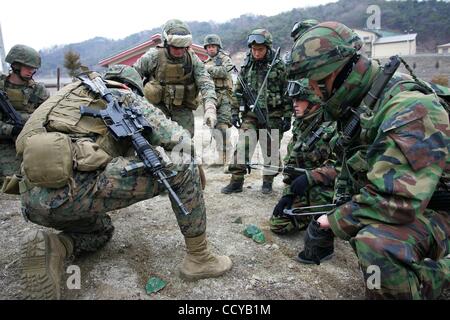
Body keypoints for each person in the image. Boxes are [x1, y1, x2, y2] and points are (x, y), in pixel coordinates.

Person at [16, 65, 232, 300]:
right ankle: (199, 258)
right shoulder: (122, 95)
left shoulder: (63, 97)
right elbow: (178, 138)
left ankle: (58, 245)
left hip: (31, 200)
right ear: (132, 86)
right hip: (76, 188)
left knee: (102, 230)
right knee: (183, 164)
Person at [287, 21, 449, 299]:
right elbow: (348, 167)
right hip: (418, 203)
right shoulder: (360, 106)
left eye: (316, 82)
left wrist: (331, 221)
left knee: (375, 243)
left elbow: (398, 200)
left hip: (434, 206)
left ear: (337, 71)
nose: (312, 90)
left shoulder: (409, 108)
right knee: (357, 225)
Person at [221, 29, 290, 195]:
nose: (256, 52)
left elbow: (287, 92)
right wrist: (235, 112)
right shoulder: (247, 65)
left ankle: (267, 182)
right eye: (254, 49)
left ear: (267, 47)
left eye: (260, 49)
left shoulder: (279, 66)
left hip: (272, 115)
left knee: (271, 150)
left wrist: (287, 116)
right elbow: (238, 91)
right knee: (243, 146)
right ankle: (236, 181)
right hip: (250, 115)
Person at [269, 80, 337, 238]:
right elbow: (292, 168)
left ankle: (331, 219)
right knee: (279, 224)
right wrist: (289, 194)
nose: (295, 104)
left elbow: (341, 167)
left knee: (321, 221)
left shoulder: (333, 126)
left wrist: (310, 177)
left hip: (330, 189)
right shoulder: (301, 126)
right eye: (293, 100)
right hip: (306, 187)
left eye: (299, 99)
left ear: (314, 100)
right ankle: (309, 217)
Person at [133, 19, 217, 137]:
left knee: (185, 145)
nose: (179, 51)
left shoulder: (192, 58)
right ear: (167, 43)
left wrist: (210, 108)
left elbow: (205, 82)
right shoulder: (153, 56)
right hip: (157, 108)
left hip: (182, 108)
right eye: (175, 47)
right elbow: (132, 76)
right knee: (152, 142)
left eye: (183, 47)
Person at [0, 44, 49, 188]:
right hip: (4, 142)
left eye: (33, 68)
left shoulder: (38, 91)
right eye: (28, 67)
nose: (31, 71)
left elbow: (48, 117)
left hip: (29, 142)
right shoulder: (2, 88)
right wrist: (11, 130)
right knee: (10, 179)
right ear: (15, 65)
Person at [203, 34, 234, 165]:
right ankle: (221, 157)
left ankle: (228, 159)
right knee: (214, 128)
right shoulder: (205, 62)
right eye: (209, 47)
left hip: (225, 96)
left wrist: (207, 69)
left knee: (223, 127)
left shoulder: (225, 59)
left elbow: (224, 72)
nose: (211, 49)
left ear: (218, 47)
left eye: (213, 46)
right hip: (212, 97)